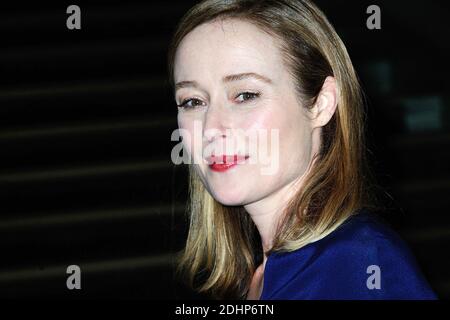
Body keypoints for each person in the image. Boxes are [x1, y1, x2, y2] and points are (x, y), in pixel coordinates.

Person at [167, 0, 437, 300]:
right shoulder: (265, 274)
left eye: (245, 95)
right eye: (192, 101)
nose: (211, 128)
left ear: (321, 104)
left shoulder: (356, 266)